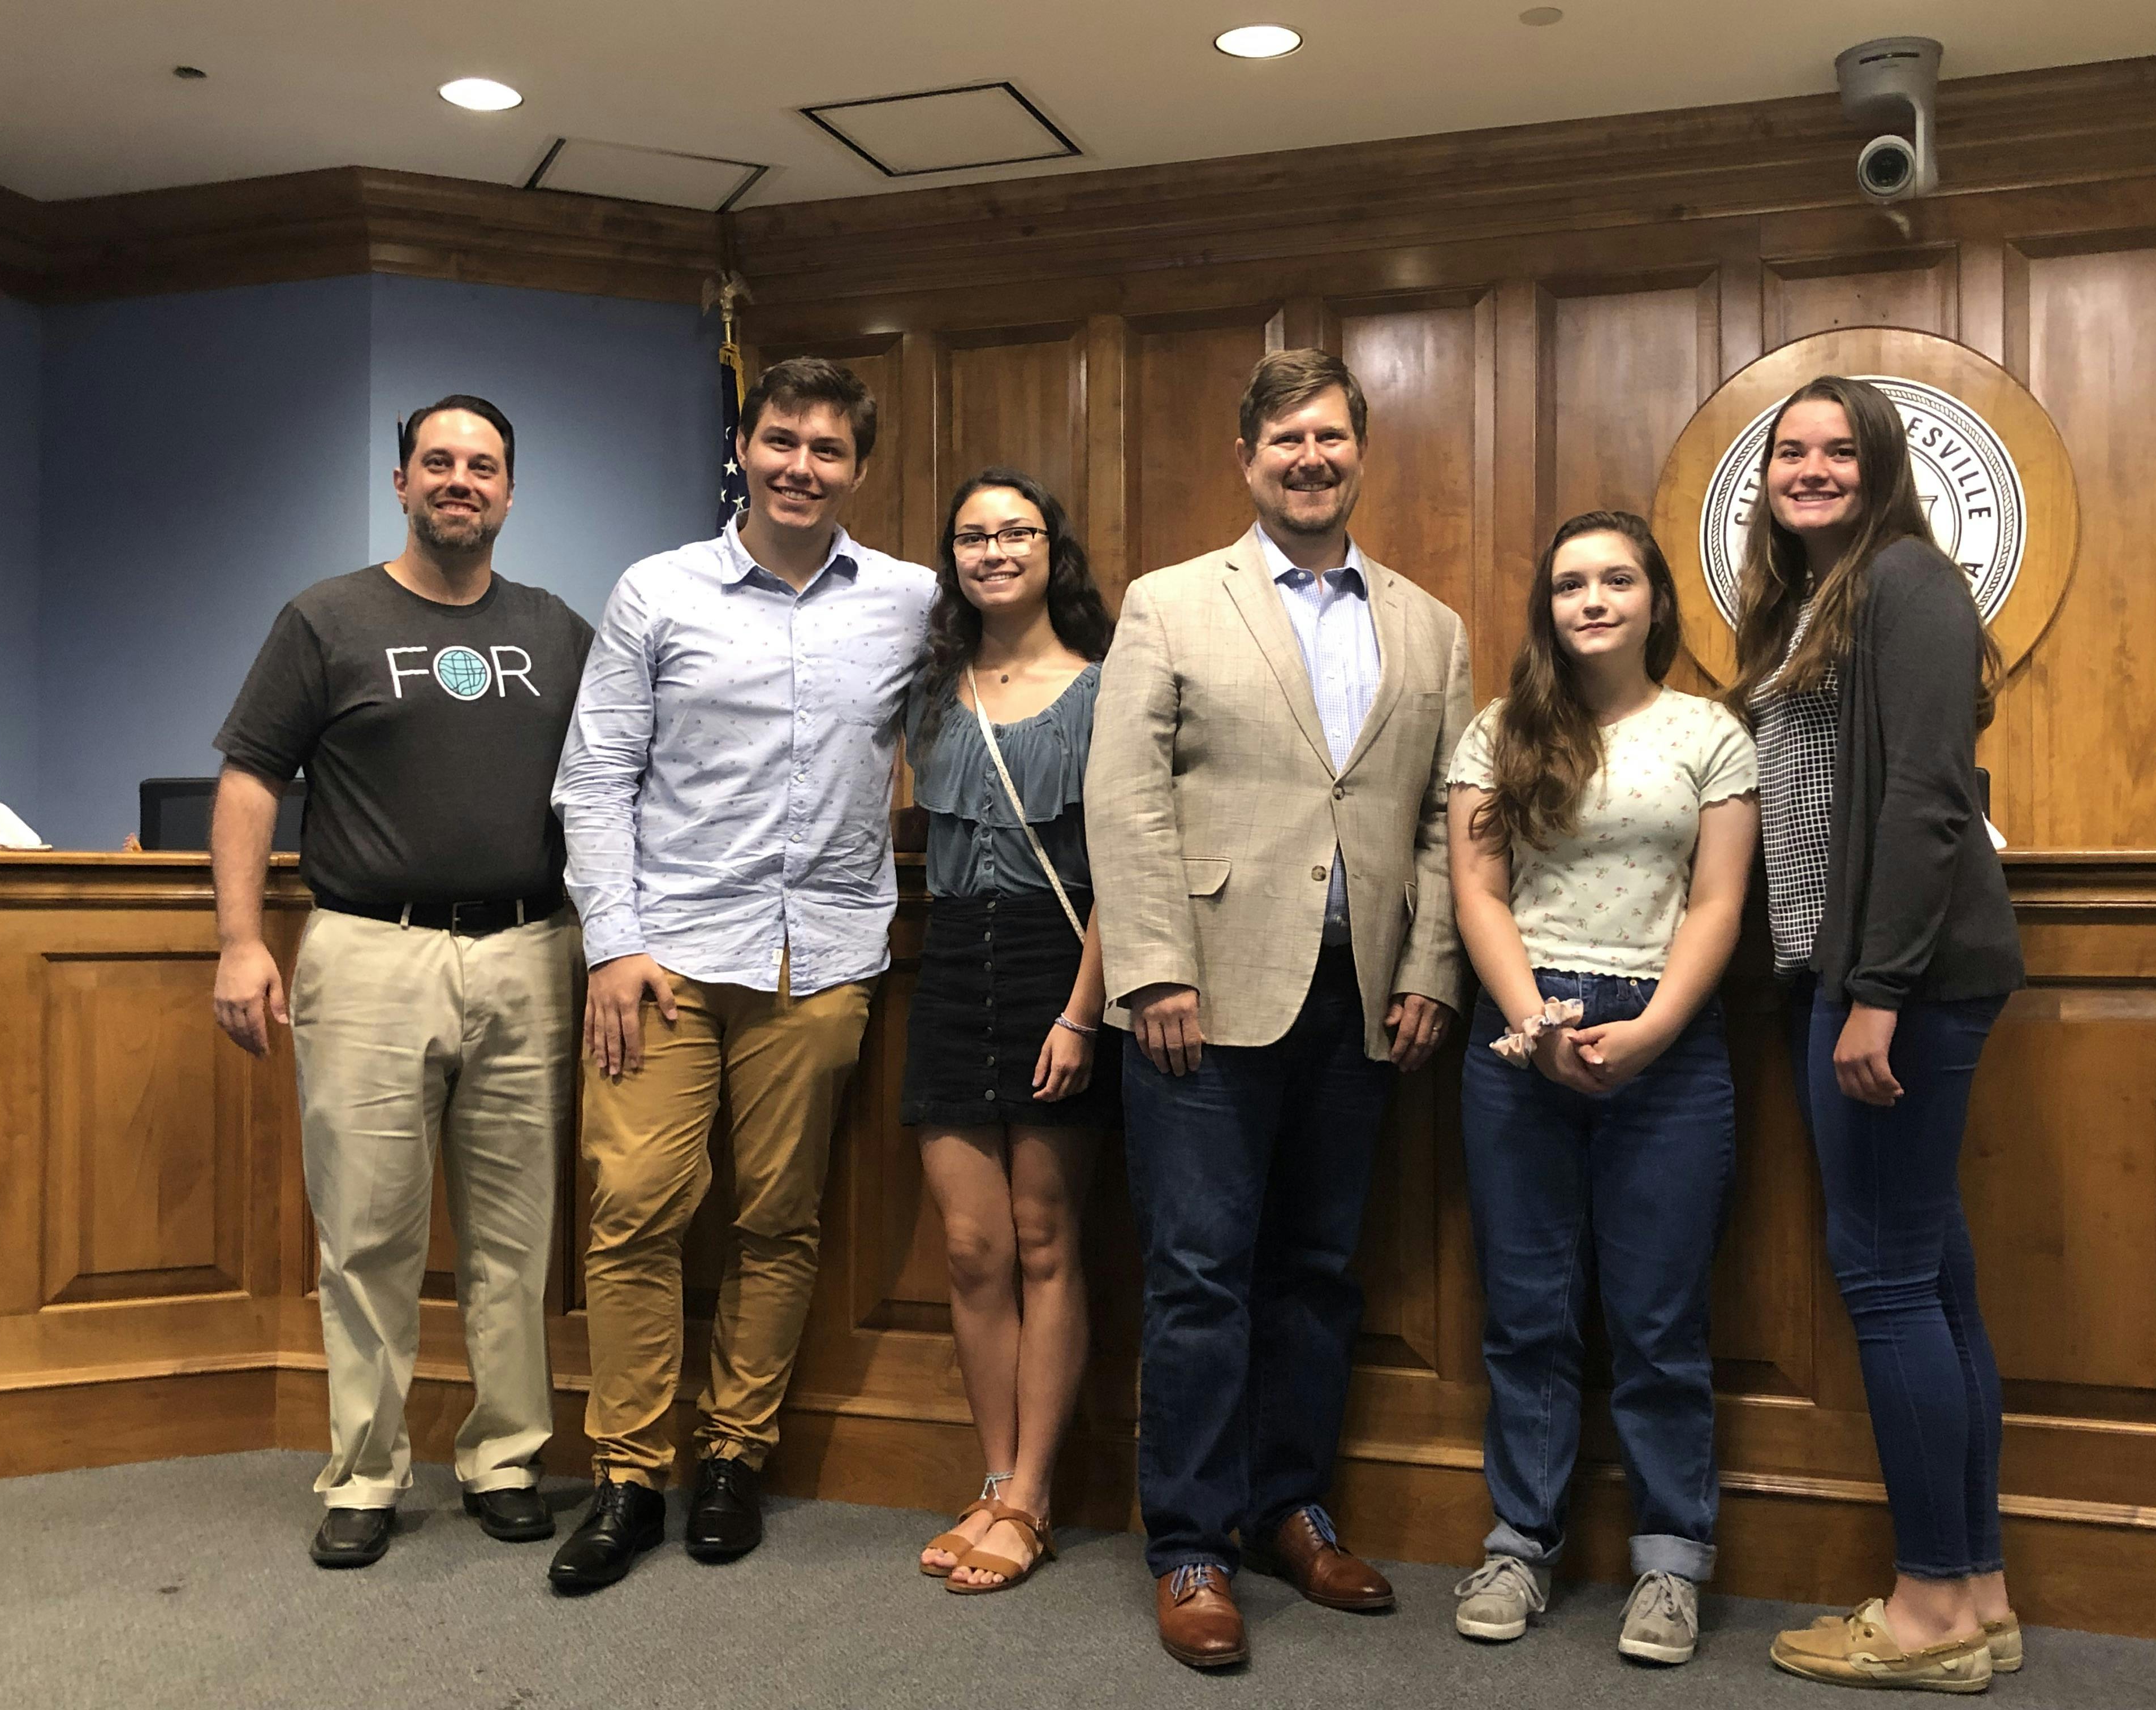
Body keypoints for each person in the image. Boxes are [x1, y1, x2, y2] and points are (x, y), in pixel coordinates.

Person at [1087, 348, 1472, 1669]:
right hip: (1202, 998)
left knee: (1316, 1274)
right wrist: (1152, 968)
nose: (1310, 459)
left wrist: (1430, 971)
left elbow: (1441, 823)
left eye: (1331, 438)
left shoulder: (1431, 627)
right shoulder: (1171, 603)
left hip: (1360, 1005)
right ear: (1247, 460)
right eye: (1285, 441)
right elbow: (1124, 796)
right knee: (1199, 1278)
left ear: (1361, 452)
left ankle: (1291, 1510)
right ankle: (1190, 1544)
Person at [545, 357, 935, 1594]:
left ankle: (732, 1460)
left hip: (820, 960)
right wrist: (613, 941)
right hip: (661, 961)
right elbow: (594, 779)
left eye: (827, 451)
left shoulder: (913, 601)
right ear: (745, 449)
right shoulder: (657, 592)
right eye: (781, 441)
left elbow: (994, 715)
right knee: (633, 1211)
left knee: (779, 1219)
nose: (800, 468)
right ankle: (625, 1478)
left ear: (859, 470)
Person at [210, 395, 592, 1569]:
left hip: (532, 950)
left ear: (511, 493)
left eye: (483, 465)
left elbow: (616, 785)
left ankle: (505, 1455)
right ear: (402, 482)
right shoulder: (326, 618)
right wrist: (238, 938)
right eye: (439, 462)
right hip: (369, 949)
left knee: (515, 1233)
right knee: (368, 1227)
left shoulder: (560, 629)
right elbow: (248, 781)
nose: (460, 481)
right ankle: (366, 1472)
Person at [1734, 378, 2024, 1694]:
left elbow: (1925, 798)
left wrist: (1881, 991)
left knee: (1889, 1280)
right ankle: (1976, 1590)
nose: (1811, 467)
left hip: (1894, 987)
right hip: (1852, 976)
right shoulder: (1812, 599)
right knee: (1933, 1274)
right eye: (1791, 450)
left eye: (1838, 448)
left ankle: (1926, 1613)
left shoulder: (1906, 581)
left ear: (1883, 464)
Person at [1446, 510, 1758, 1665]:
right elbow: (1478, 894)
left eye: (1616, 579)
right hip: (1524, 1035)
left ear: (1653, 601)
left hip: (1667, 1044)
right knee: (1527, 1312)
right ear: (1549, 607)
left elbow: (1720, 902)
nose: (1593, 599)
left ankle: (1670, 1562)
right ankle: (1520, 1541)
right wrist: (1533, 1020)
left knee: (1659, 1319)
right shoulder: (1500, 730)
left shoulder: (1709, 733)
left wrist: (1651, 1031)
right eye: (1571, 581)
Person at [901, 468, 1118, 1595]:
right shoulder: (928, 692)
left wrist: (1083, 1013)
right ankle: (992, 1481)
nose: (993, 550)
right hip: (948, 965)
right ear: (954, 559)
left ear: (1051, 551)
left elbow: (1127, 872)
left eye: (1016, 532)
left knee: (1045, 1241)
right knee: (973, 1249)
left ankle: (1033, 1493)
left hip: (1057, 966)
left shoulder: (1103, 689)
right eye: (972, 535)